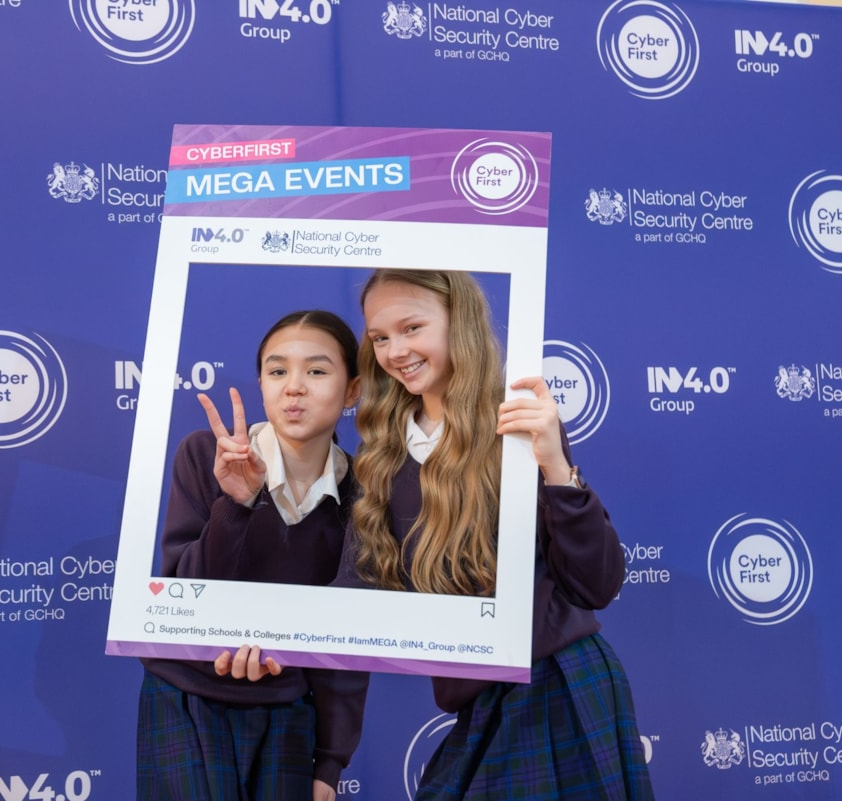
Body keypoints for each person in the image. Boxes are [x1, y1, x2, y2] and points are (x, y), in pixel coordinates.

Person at [339, 269, 654, 800]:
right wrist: (269, 638)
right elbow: (355, 594)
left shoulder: (517, 424)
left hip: (559, 684)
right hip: (476, 701)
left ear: (458, 322)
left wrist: (555, 466)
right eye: (380, 337)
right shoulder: (382, 457)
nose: (396, 350)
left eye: (412, 327)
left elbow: (596, 585)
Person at [137, 310, 369, 801]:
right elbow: (186, 593)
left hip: (286, 706)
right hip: (187, 695)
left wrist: (330, 764)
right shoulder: (206, 455)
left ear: (352, 391)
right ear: (261, 382)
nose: (294, 387)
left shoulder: (365, 493)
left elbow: (349, 634)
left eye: (318, 371)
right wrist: (237, 503)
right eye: (278, 370)